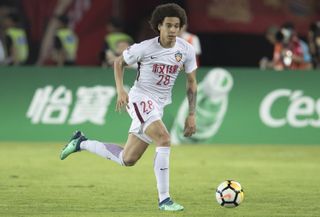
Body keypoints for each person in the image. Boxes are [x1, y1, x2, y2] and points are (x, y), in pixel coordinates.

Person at [60, 3, 198, 212]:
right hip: (140, 98)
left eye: (177, 26)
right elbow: (118, 62)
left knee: (128, 159)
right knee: (164, 138)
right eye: (168, 25)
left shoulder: (186, 49)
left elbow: (191, 82)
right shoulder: (144, 47)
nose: (173, 31)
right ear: (159, 26)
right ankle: (165, 200)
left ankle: (81, 143)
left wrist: (191, 114)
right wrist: (121, 91)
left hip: (158, 105)